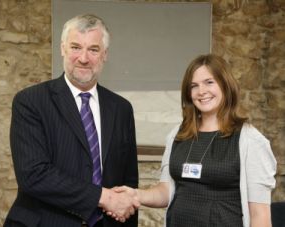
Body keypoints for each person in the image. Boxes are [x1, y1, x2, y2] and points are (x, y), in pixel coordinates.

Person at [4, 14, 139, 227]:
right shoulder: (31, 102)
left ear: (105, 54)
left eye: (93, 49)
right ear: (62, 49)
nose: (83, 58)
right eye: (76, 47)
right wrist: (104, 197)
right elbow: (34, 175)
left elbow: (128, 182)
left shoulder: (121, 109)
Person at [114, 54, 277, 227]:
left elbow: (260, 216)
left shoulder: (250, 141)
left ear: (225, 85)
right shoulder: (177, 134)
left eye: (209, 82)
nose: (201, 91)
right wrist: (136, 195)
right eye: (194, 86)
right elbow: (166, 191)